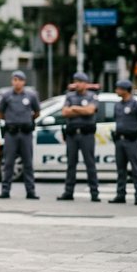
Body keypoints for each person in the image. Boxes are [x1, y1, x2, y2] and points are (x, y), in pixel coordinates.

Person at [0, 70, 40, 199]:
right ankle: (5, 190)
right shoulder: (7, 95)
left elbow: (37, 112)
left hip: (26, 133)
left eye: (19, 80)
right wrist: (10, 120)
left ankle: (30, 191)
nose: (17, 82)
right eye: (14, 80)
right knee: (8, 163)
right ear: (12, 81)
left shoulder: (31, 95)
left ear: (24, 82)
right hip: (12, 133)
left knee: (28, 163)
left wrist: (28, 120)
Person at [57, 72, 100, 202]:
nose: (78, 84)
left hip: (86, 135)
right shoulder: (69, 96)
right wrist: (81, 109)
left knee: (90, 164)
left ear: (86, 83)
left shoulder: (92, 96)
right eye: (76, 81)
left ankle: (94, 193)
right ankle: (68, 192)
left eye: (80, 81)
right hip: (72, 135)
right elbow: (65, 112)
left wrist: (74, 108)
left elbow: (90, 111)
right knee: (71, 164)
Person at [109, 80, 137, 205]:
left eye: (119, 89)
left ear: (125, 90)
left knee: (136, 169)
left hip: (132, 140)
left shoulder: (136, 105)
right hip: (120, 140)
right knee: (121, 169)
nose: (117, 91)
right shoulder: (118, 105)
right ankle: (121, 194)